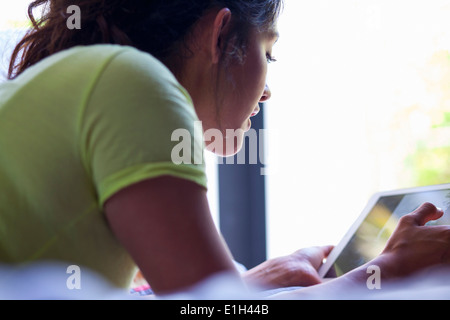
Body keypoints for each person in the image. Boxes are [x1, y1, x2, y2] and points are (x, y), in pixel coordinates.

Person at [0, 0, 449, 298]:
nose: (268, 91)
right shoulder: (133, 83)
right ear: (221, 35)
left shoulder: (89, 82)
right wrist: (381, 276)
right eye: (267, 53)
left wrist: (247, 286)